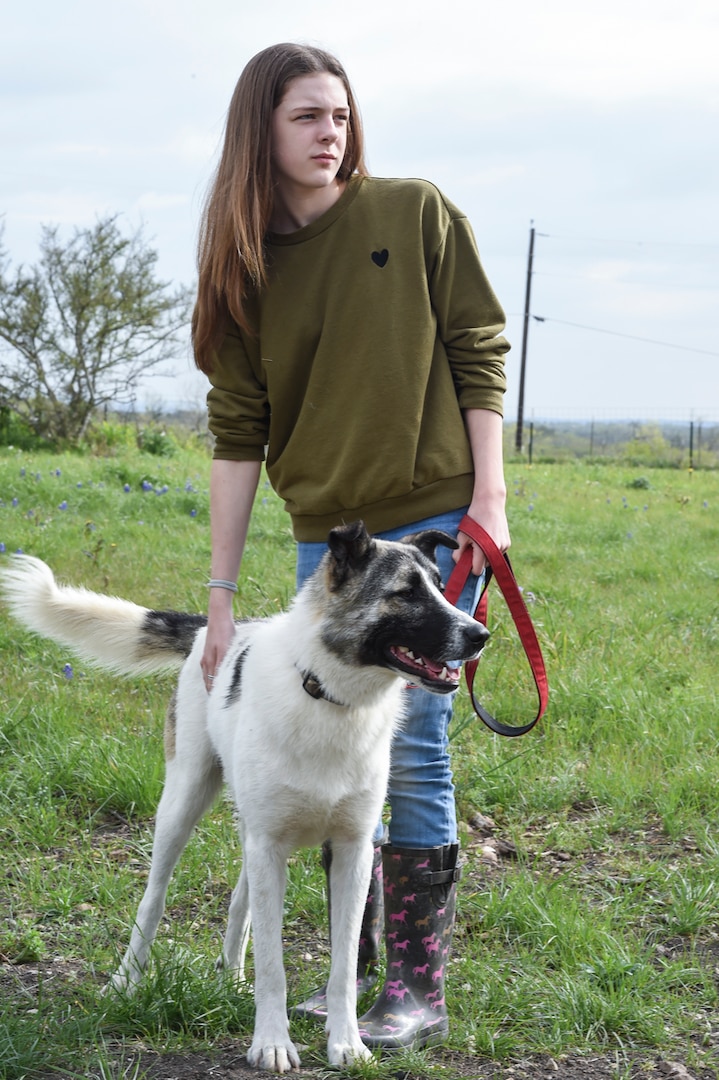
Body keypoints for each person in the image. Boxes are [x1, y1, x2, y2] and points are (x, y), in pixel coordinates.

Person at [192, 42, 511, 1050]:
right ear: (261, 132)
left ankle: (411, 986)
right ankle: (344, 976)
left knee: (408, 747)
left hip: (433, 517)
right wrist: (219, 592)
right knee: (318, 748)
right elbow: (239, 433)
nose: (329, 134)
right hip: (324, 543)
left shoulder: (412, 212)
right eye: (305, 118)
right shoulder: (244, 268)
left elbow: (476, 345)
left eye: (338, 115)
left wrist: (489, 501)